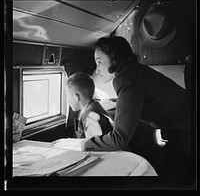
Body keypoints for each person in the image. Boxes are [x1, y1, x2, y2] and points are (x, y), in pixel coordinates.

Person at [81, 36, 192, 182]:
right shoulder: (134, 72)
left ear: (115, 60)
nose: (97, 69)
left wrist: (85, 144)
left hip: (188, 137)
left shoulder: (128, 81)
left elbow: (119, 139)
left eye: (99, 62)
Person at [65, 72, 113, 140]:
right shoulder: (94, 106)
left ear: (76, 97)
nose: (66, 99)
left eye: (67, 95)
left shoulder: (90, 116)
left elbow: (93, 145)